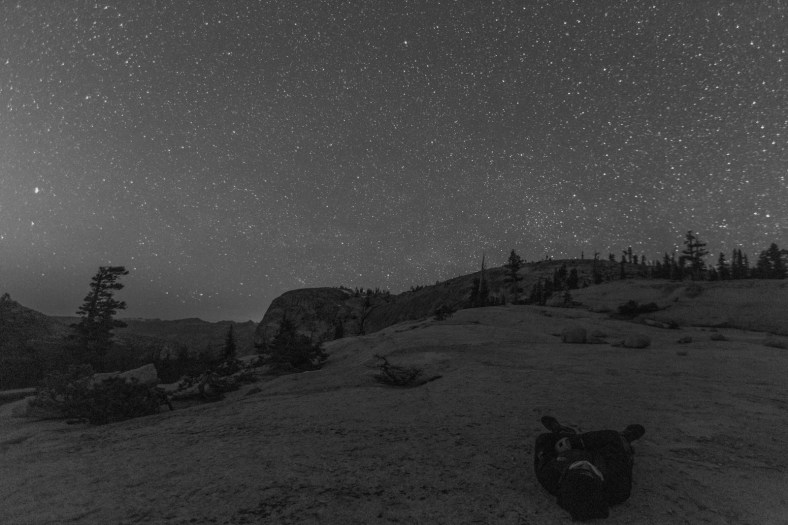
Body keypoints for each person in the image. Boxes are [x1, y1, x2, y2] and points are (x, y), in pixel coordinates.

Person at [533, 415, 645, 521]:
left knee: (557, 442)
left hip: (570, 452)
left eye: (578, 467)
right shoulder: (619, 488)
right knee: (622, 443)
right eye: (590, 470)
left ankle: (563, 432)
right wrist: (579, 441)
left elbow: (542, 440)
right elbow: (612, 437)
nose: (585, 463)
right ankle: (626, 435)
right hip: (602, 453)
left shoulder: (549, 475)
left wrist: (568, 442)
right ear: (601, 483)